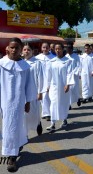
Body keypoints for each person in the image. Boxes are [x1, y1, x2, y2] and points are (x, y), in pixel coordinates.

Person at [0, 38, 37, 172]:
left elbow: (29, 86)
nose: (14, 50)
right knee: (9, 127)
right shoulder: (1, 64)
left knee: (13, 127)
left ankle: (12, 156)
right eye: (12, 47)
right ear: (7, 48)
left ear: (21, 50)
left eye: (17, 48)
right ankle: (18, 144)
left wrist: (28, 102)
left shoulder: (26, 67)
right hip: (4, 101)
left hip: (18, 102)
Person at [46, 43, 74, 131]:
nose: (57, 50)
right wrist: (47, 86)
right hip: (54, 87)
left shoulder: (68, 61)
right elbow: (48, 75)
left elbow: (70, 73)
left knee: (63, 103)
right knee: (53, 103)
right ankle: (52, 123)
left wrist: (68, 84)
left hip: (64, 86)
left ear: (63, 49)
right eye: (56, 49)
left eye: (59, 49)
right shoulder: (51, 62)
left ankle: (64, 119)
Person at [22, 44, 44, 136]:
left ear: (32, 51)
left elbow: (41, 78)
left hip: (34, 91)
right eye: (25, 50)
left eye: (28, 50)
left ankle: (38, 124)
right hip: (23, 92)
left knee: (34, 111)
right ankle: (25, 133)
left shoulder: (37, 63)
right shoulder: (21, 62)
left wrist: (40, 92)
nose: (26, 51)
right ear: (22, 51)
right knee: (24, 113)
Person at [36, 42, 55, 121]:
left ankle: (48, 113)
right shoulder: (37, 58)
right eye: (44, 47)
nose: (45, 49)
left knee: (47, 96)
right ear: (41, 48)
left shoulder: (53, 58)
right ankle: (44, 112)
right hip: (40, 79)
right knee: (42, 97)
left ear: (49, 48)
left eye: (47, 47)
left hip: (50, 80)